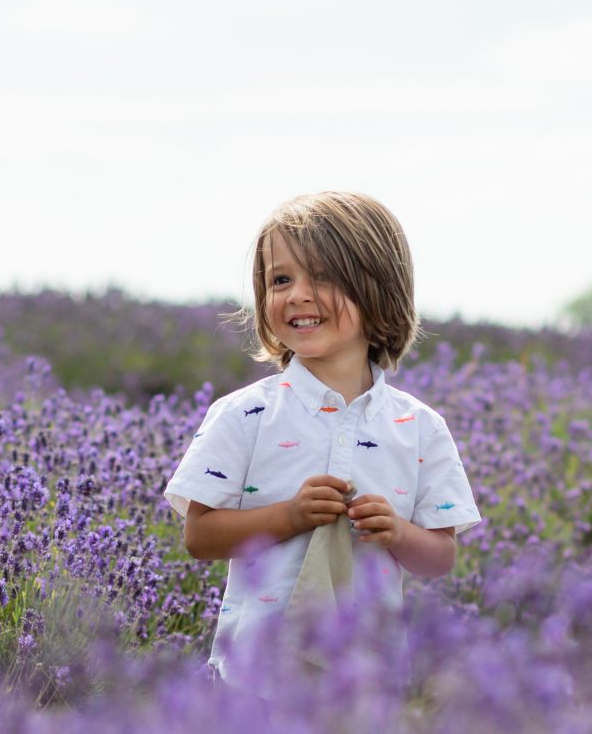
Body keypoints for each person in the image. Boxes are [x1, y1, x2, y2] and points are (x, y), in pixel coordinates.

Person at [164, 191, 480, 687]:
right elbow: (200, 537)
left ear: (379, 291)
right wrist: (288, 516)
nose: (298, 295)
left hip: (364, 682)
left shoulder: (420, 428)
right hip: (256, 680)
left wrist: (398, 532)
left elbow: (439, 558)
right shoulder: (245, 414)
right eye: (281, 280)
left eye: (324, 277)